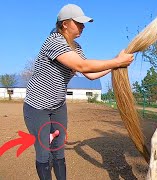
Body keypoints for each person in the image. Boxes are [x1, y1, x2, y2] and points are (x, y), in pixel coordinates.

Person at [23, 4, 134, 180]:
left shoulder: (77, 47)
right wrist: (116, 62)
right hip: (37, 107)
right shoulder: (54, 41)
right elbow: (81, 65)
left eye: (84, 23)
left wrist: (116, 64)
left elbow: (90, 74)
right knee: (44, 154)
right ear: (65, 24)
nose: (83, 26)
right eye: (79, 22)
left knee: (58, 152)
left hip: (58, 106)